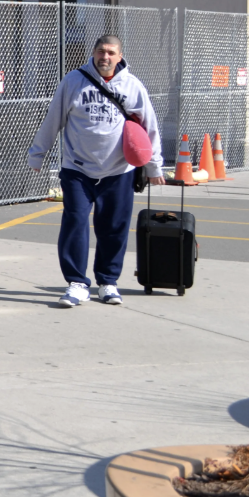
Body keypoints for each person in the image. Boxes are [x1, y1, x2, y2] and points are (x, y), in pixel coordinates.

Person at [27, 34, 164, 307]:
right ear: (93, 52)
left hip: (118, 170)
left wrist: (153, 165)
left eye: (111, 52)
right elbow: (53, 118)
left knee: (113, 227)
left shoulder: (134, 86)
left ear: (120, 56)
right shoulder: (73, 81)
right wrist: (37, 154)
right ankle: (77, 283)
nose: (105, 57)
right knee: (75, 223)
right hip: (77, 168)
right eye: (101, 51)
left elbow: (150, 126)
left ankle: (108, 282)